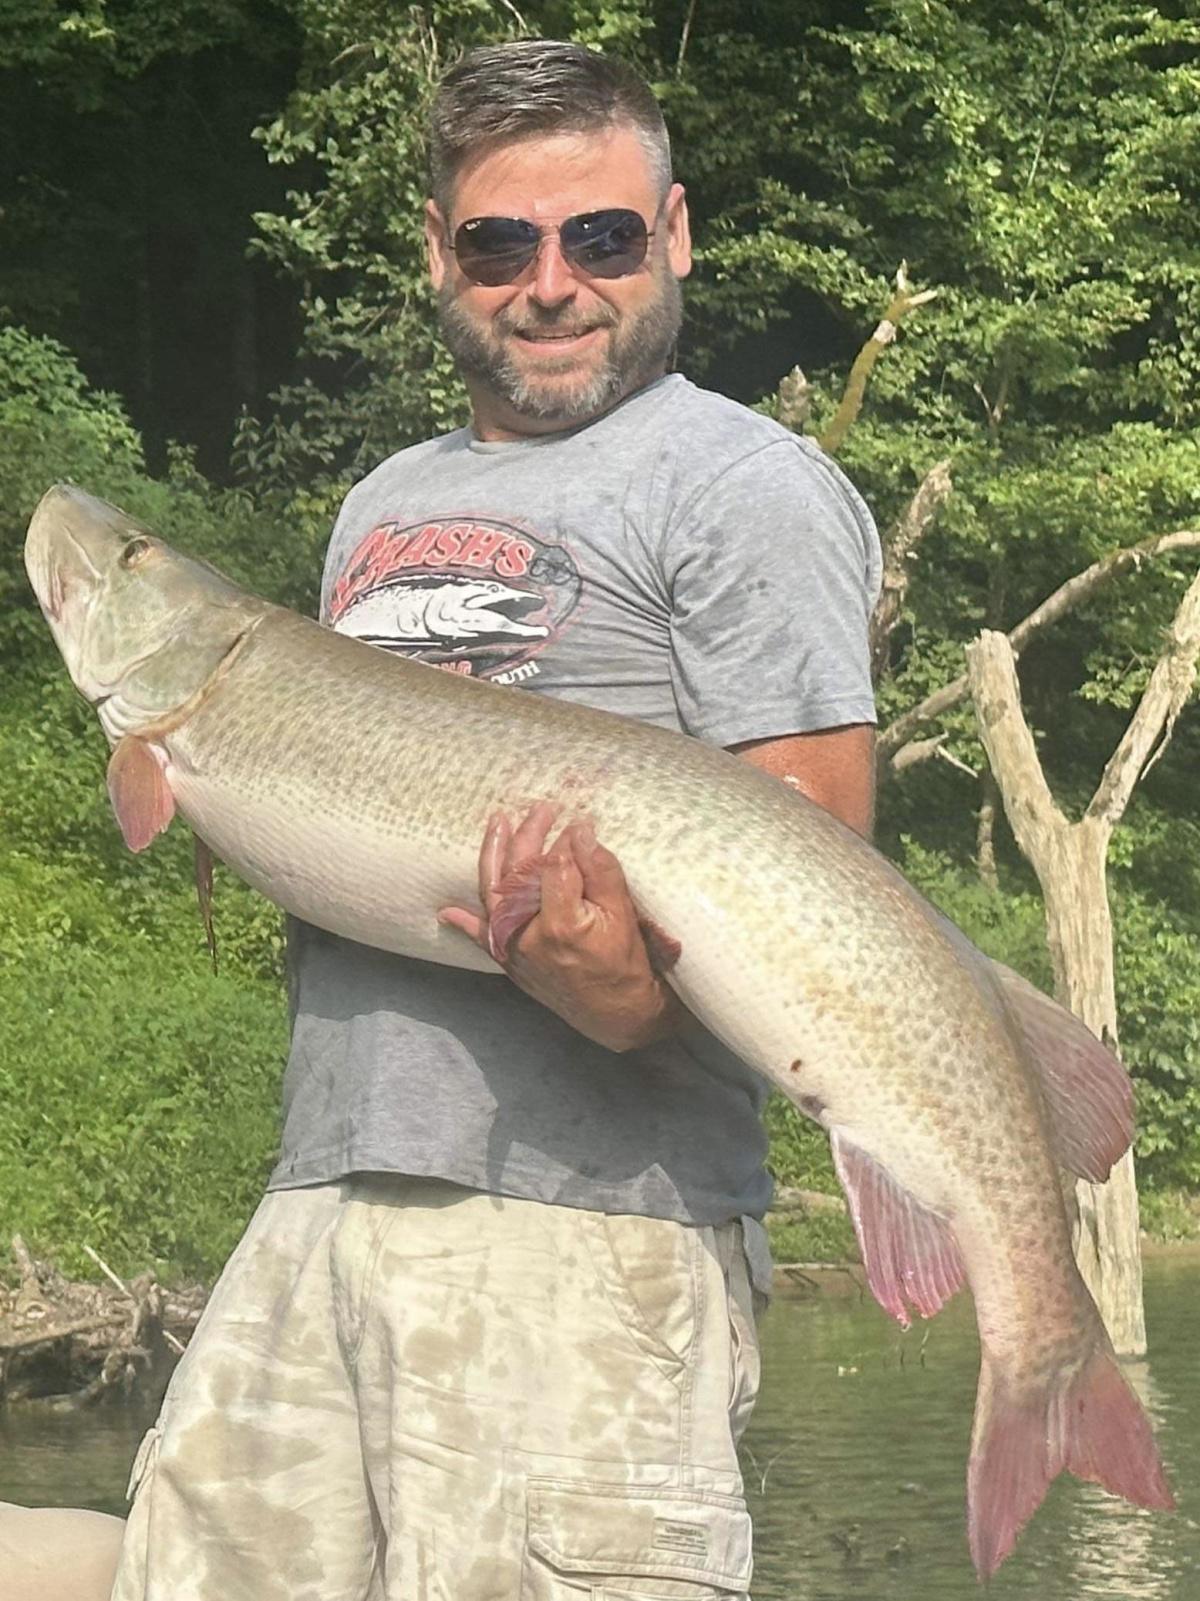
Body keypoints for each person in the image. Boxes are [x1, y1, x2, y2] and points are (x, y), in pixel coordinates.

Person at [110, 38, 881, 1601]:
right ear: (439, 255)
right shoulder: (379, 500)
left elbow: (822, 915)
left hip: (590, 1239)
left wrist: (633, 994)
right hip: (324, 1194)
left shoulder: (744, 484)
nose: (550, 283)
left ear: (672, 235)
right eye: (500, 241)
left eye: (597, 236)